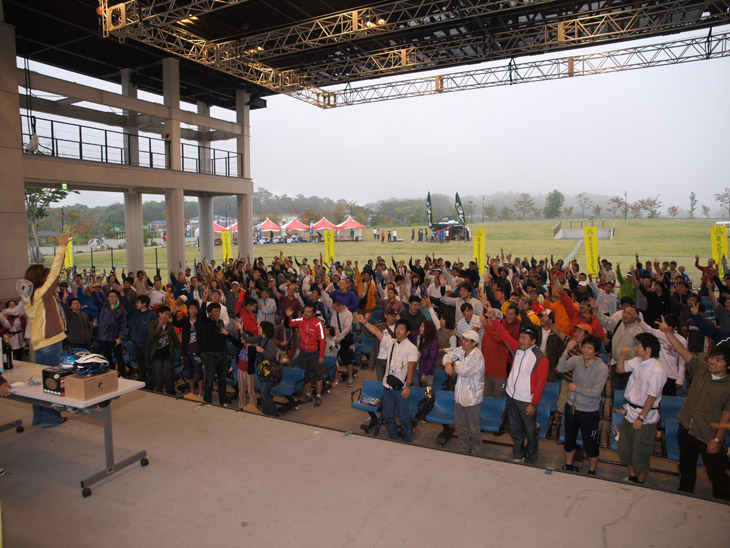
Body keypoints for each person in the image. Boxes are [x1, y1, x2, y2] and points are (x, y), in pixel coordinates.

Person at [659, 317, 730, 501]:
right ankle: (685, 496)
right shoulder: (701, 368)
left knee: (718, 476)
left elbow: (726, 416)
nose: (712, 362)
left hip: (708, 435)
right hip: (686, 428)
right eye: (713, 357)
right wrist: (668, 332)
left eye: (719, 360)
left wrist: (717, 439)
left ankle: (722, 504)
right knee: (686, 467)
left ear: (728, 366)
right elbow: (682, 351)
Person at [23, 231, 71, 428]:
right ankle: (51, 419)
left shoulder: (30, 297)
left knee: (39, 381)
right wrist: (62, 248)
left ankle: (39, 417)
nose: (48, 276)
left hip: (39, 344)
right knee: (52, 381)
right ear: (41, 278)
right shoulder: (42, 293)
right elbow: (55, 272)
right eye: (45, 275)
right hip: (51, 343)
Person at [489, 310, 549, 464]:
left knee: (530, 432)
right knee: (515, 431)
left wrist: (533, 404)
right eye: (520, 337)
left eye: (524, 338)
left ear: (533, 341)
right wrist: (494, 319)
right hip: (512, 398)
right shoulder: (517, 349)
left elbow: (541, 384)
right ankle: (518, 455)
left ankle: (531, 459)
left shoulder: (540, 358)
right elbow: (504, 335)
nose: (520, 340)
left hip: (526, 402)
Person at [616, 332, 667, 484]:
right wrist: (622, 355)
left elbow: (652, 397)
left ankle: (640, 481)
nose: (636, 348)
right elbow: (619, 370)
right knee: (625, 448)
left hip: (644, 417)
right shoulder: (638, 361)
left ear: (648, 349)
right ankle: (632, 476)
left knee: (641, 452)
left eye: (639, 345)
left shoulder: (657, 370)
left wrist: (641, 418)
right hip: (630, 411)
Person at [359, 316, 418, 442]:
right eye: (397, 328)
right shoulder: (391, 342)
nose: (398, 331)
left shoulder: (411, 348)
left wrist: (408, 386)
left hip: (402, 388)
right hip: (388, 386)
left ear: (407, 332)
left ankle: (407, 439)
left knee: (403, 416)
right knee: (388, 415)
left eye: (402, 329)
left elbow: (411, 369)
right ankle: (393, 437)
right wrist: (365, 322)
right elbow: (376, 332)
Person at [556, 335, 609, 475]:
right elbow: (560, 369)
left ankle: (592, 471)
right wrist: (566, 351)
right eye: (584, 347)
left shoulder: (602, 368)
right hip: (572, 407)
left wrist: (577, 388)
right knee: (569, 439)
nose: (585, 350)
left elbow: (596, 392)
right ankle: (569, 465)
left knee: (590, 442)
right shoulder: (576, 360)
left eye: (589, 348)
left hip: (589, 411)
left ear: (596, 351)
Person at [444, 330, 485, 455]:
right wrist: (447, 364)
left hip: (473, 398)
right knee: (460, 425)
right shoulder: (460, 350)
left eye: (466, 340)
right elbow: (448, 354)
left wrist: (454, 363)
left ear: (474, 343)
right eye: (462, 339)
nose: (463, 342)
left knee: (474, 428)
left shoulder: (478, 356)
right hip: (460, 395)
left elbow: (465, 371)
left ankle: (477, 449)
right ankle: (464, 447)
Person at [198, 302, 235, 406]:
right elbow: (201, 314)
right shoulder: (205, 322)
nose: (217, 313)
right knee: (209, 381)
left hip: (222, 355)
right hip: (210, 356)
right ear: (209, 313)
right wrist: (204, 300)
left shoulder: (221, 323)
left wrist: (226, 353)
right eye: (215, 311)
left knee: (222, 380)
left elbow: (223, 339)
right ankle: (207, 401)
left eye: (218, 311)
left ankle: (223, 401)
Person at [289, 304, 326, 407]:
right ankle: (308, 395)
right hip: (303, 353)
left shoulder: (318, 324)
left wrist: (321, 356)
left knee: (317, 375)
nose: (306, 313)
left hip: (314, 353)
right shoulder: (301, 320)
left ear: (313, 313)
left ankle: (318, 396)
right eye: (305, 311)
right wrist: (289, 316)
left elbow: (323, 341)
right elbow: (291, 324)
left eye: (309, 312)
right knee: (306, 375)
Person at [241, 321, 280, 416]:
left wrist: (262, 351)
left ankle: (274, 413)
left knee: (264, 393)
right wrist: (241, 329)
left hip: (269, 372)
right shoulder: (259, 338)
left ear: (265, 330)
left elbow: (273, 356)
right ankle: (266, 413)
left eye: (260, 327)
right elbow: (248, 340)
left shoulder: (270, 342)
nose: (258, 328)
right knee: (263, 394)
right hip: (261, 371)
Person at [146, 306, 181, 395]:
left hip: (167, 354)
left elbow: (175, 339)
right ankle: (159, 391)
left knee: (168, 375)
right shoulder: (152, 324)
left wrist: (181, 352)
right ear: (160, 314)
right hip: (156, 355)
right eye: (165, 314)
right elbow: (152, 336)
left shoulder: (169, 325)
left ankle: (171, 392)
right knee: (157, 376)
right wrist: (159, 325)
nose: (167, 317)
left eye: (169, 315)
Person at [173, 300, 203, 397]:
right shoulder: (185, 320)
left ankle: (200, 393)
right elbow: (176, 323)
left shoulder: (200, 320)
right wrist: (174, 314)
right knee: (189, 373)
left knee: (198, 373)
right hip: (187, 351)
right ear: (188, 310)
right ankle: (192, 392)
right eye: (191, 308)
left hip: (197, 351)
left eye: (195, 309)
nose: (193, 311)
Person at [331, 299, 355, 387]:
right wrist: (333, 338)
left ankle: (350, 378)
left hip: (345, 340)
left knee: (347, 360)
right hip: (336, 339)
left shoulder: (348, 314)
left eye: (335, 307)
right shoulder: (335, 313)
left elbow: (347, 328)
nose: (334, 309)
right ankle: (336, 378)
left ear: (340, 306)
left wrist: (339, 338)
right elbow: (333, 325)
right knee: (334, 360)